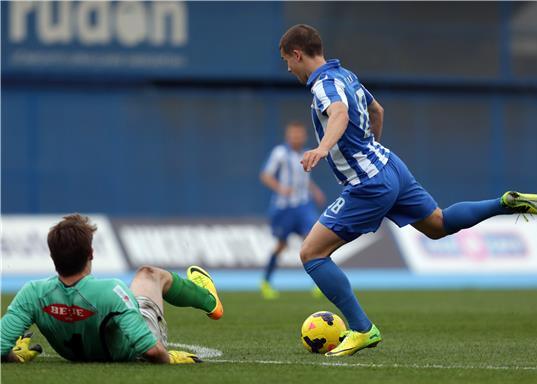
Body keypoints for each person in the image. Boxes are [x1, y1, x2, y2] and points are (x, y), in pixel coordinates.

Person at [279, 24, 537, 357]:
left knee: (311, 254)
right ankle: (503, 204)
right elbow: (377, 110)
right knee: (438, 225)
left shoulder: (323, 85)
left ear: (298, 54)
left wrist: (325, 147)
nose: (288, 68)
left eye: (287, 61)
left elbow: (338, 114)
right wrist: (371, 150)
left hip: (368, 184)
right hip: (390, 167)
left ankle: (360, 329)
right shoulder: (346, 76)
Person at [1, 214, 223, 364]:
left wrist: (13, 357)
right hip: (131, 355)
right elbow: (151, 351)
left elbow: (1, 347)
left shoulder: (32, 292)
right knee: (148, 274)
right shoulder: (111, 290)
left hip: (76, 354)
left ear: (52, 256)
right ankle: (209, 300)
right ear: (91, 254)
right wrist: (170, 358)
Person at [260, 121, 326, 299]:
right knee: (282, 245)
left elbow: (302, 179)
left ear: (304, 136)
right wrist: (280, 188)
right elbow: (265, 175)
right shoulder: (280, 153)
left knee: (315, 241)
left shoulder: (307, 153)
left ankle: (320, 284)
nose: (296, 138)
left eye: (299, 134)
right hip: (284, 208)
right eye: (293, 134)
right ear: (287, 136)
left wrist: (315, 190)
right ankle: (266, 281)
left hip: (304, 206)